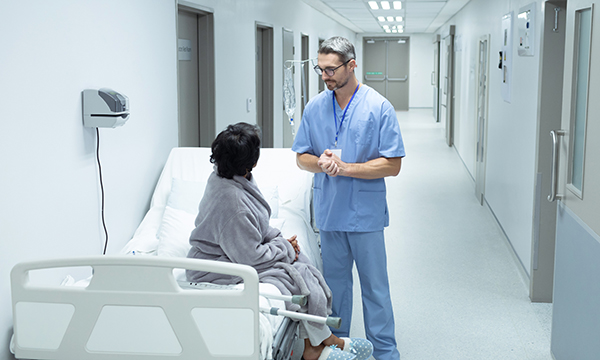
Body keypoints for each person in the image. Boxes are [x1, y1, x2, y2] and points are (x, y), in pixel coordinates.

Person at [186, 122, 373, 360]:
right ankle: (319, 344)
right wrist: (285, 248)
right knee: (294, 275)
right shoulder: (232, 202)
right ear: (252, 161)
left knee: (300, 265)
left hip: (233, 251)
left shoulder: (228, 178)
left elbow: (254, 228)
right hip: (216, 268)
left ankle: (317, 342)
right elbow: (250, 256)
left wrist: (283, 244)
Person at [292, 36, 405, 360]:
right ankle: (336, 348)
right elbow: (302, 156)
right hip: (330, 212)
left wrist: (347, 167)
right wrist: (323, 164)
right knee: (335, 290)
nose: (325, 76)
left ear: (351, 65)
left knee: (375, 289)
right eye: (321, 69)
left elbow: (392, 164)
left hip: (365, 214)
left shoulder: (378, 107)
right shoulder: (315, 108)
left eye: (331, 69)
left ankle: (385, 351)